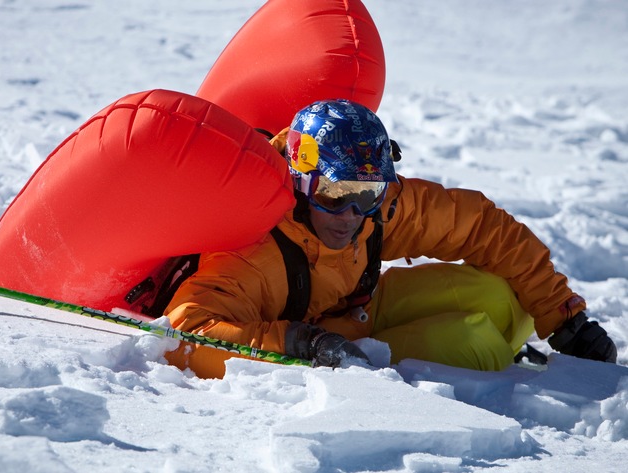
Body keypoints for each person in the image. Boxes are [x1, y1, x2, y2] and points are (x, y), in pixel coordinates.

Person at [164, 99, 617, 379]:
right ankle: (496, 367)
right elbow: (187, 329)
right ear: (301, 184)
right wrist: (300, 344)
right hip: (313, 339)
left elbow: (482, 227)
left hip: (357, 311)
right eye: (333, 194)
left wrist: (565, 319)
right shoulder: (255, 248)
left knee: (506, 299)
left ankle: (504, 351)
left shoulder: (375, 212)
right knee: (476, 347)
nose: (349, 215)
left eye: (365, 193)